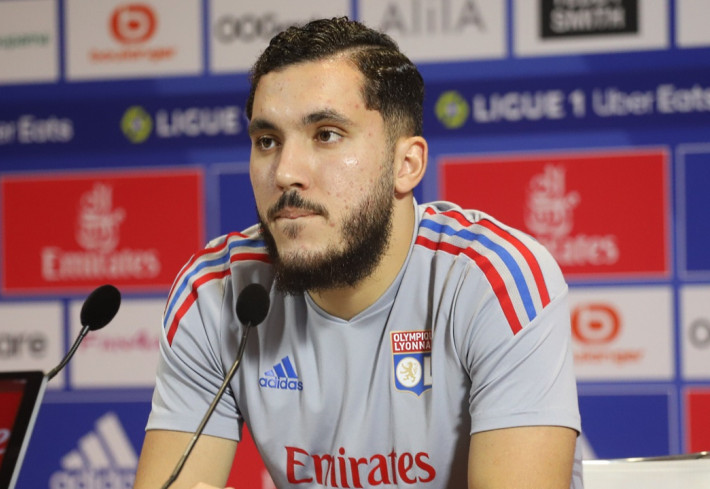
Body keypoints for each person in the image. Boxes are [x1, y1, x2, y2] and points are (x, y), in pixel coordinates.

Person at [134, 17, 582, 489]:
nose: (285, 173)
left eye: (326, 134)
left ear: (406, 164)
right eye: (267, 141)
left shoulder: (496, 280)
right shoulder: (217, 291)